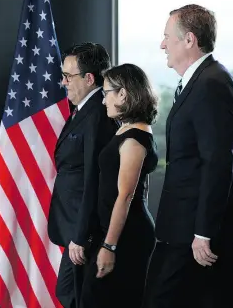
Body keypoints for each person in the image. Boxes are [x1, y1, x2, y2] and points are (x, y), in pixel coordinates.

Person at [143, 4, 233, 308]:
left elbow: (217, 162)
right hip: (190, 229)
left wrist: (203, 232)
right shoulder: (203, 79)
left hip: (196, 232)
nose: (162, 44)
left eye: (167, 37)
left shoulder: (211, 84)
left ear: (189, 39)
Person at [78, 64, 159, 308]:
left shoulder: (135, 139)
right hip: (112, 232)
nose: (103, 102)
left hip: (126, 237)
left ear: (123, 94)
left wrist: (109, 246)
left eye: (106, 94)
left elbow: (124, 197)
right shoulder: (126, 129)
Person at [48, 42, 117, 308]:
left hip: (85, 231)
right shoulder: (83, 111)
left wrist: (82, 235)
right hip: (74, 226)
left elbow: (94, 179)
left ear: (89, 78)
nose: (63, 82)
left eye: (68, 76)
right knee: (71, 294)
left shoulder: (98, 114)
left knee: (75, 295)